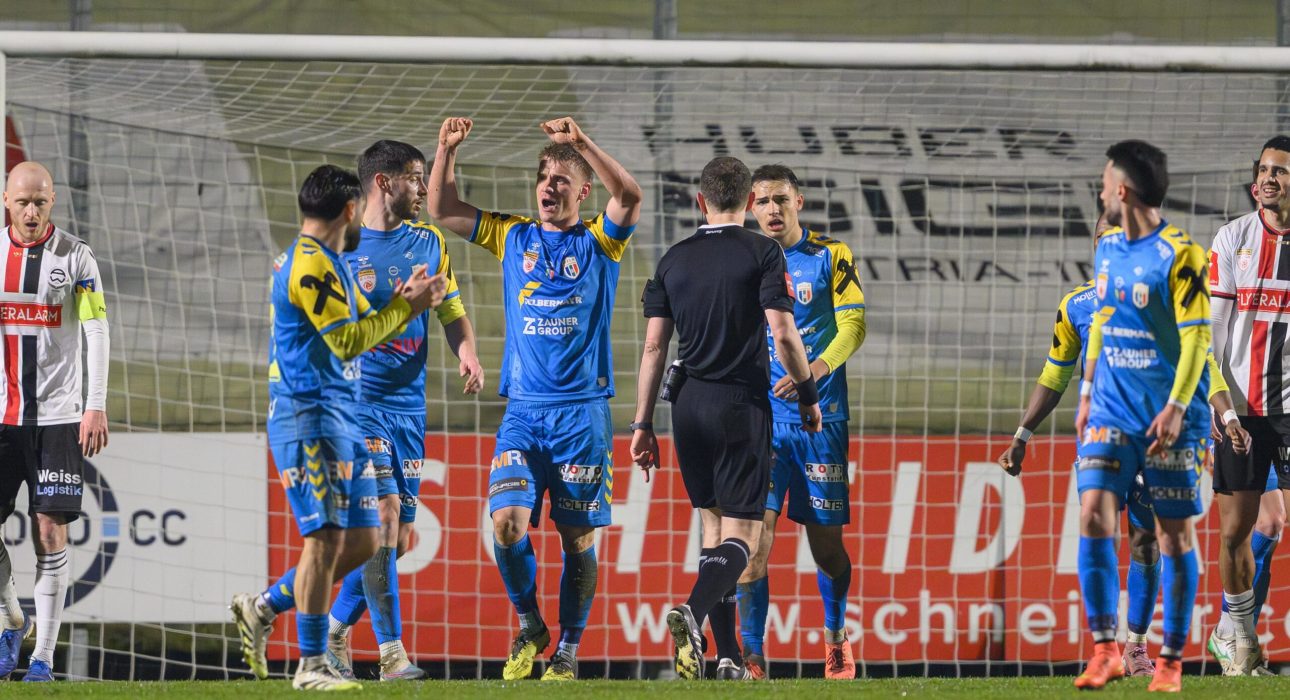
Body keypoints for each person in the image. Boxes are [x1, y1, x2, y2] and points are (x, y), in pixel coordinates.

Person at [427, 115, 642, 681]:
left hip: (581, 416)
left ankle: (568, 650)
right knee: (506, 523)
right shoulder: (513, 234)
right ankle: (530, 623)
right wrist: (445, 150)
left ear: (582, 190)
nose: (549, 187)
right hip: (522, 412)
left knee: (577, 540)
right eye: (544, 178)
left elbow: (630, 194)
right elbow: (443, 210)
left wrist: (581, 144)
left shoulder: (600, 241)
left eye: (561, 180)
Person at [1000, 215, 1249, 678]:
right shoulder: (1076, 305)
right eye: (1103, 238)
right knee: (1094, 521)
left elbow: (1203, 357)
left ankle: (1137, 645)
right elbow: (1055, 375)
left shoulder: (1167, 293)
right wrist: (1022, 435)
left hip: (1157, 435)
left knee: (1146, 542)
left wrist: (1225, 411)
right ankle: (1105, 647)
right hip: (1101, 432)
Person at [230, 164, 443, 690]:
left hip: (341, 419)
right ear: (350, 210)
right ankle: (310, 666)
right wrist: (405, 308)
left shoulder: (334, 261)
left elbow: (368, 316)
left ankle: (262, 606)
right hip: (307, 419)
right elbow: (348, 340)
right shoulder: (307, 268)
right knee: (324, 539)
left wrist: (405, 296)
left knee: (366, 541)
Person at [632, 156, 822, 681]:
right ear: (748, 201)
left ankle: (727, 658)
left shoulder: (673, 259)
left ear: (701, 201)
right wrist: (808, 394)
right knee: (747, 537)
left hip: (686, 406)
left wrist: (642, 424)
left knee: (713, 529)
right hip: (740, 405)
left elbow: (653, 348)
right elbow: (783, 333)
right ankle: (692, 614)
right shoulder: (763, 252)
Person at [320, 140, 484, 681]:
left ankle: (335, 631)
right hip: (358, 405)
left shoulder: (428, 241)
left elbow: (452, 310)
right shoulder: (340, 248)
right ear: (384, 183)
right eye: (415, 177)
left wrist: (468, 353)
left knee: (396, 539)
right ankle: (392, 654)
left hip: (409, 410)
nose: (423, 188)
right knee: (384, 515)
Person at [1073, 140, 1210, 692]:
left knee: (1172, 539)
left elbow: (1198, 337)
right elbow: (1103, 315)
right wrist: (1086, 390)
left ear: (1122, 190)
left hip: (1167, 415)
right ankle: (1106, 649)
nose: (1101, 190)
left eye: (1106, 181)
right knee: (1092, 516)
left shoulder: (1182, 255)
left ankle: (1171, 662)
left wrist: (1177, 406)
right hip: (1110, 406)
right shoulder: (1106, 246)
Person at [735, 165, 866, 680]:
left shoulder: (830, 256)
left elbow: (854, 322)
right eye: (762, 201)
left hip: (821, 422)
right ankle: (753, 659)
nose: (771, 209)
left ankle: (835, 637)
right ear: (750, 206)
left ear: (799, 202)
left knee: (826, 547)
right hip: (762, 425)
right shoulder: (744, 260)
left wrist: (816, 370)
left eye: (780, 200)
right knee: (752, 545)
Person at [0, 161, 109, 682]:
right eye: (22, 201)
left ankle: (42, 658)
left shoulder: (77, 258)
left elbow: (96, 331)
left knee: (50, 531)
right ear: (6, 201)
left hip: (59, 417)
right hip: (1, 416)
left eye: (40, 201)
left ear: (53, 201)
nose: (31, 210)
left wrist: (96, 403)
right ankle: (10, 619)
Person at [1205, 135, 1290, 675]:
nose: (1267, 179)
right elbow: (1210, 334)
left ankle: (1232, 632)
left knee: (1274, 523)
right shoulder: (1233, 237)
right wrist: (1222, 407)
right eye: (1263, 169)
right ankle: (1237, 635)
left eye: (1280, 171)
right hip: (1243, 410)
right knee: (1237, 531)